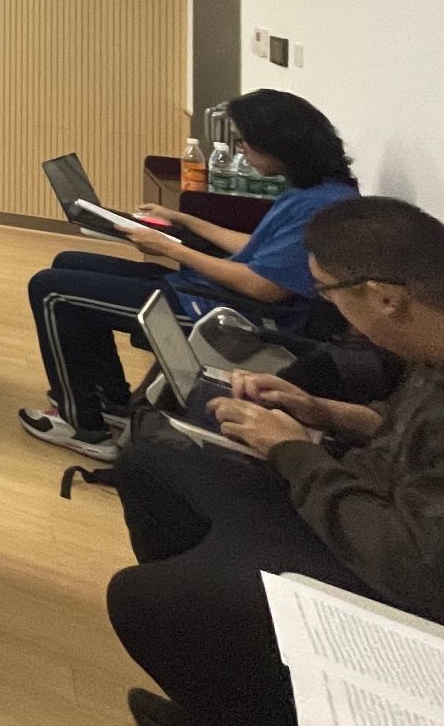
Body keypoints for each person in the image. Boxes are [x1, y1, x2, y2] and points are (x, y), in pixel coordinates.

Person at [106, 196, 444, 726]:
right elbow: (403, 430)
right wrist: (320, 410)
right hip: (358, 498)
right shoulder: (427, 349)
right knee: (148, 463)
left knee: (142, 597)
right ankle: (223, 660)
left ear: (385, 299)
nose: (330, 309)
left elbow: (412, 565)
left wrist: (293, 450)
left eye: (328, 292)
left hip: (384, 567)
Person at [20, 88, 358, 461]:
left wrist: (170, 248)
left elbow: (263, 286)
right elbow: (254, 246)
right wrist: (183, 220)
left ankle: (81, 424)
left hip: (231, 316)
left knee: (51, 290)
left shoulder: (320, 207)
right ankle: (110, 401)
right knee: (70, 262)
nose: (241, 150)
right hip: (211, 294)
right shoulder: (315, 190)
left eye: (245, 142)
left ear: (278, 144)